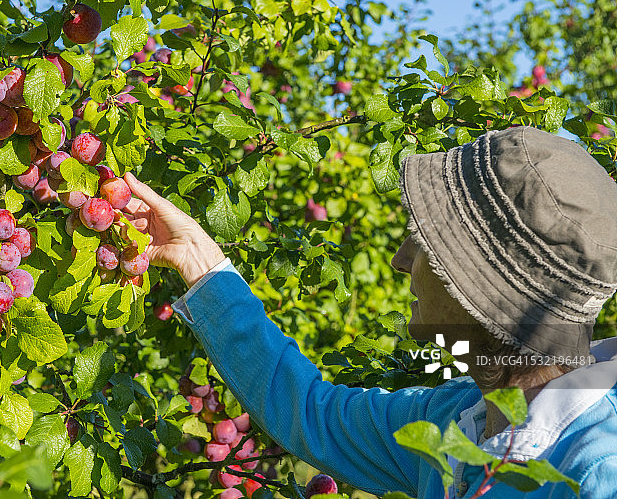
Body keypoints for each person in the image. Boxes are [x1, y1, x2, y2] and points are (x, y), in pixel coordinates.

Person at [122, 126, 617, 498]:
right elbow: (314, 413)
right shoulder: (455, 422)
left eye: (425, 243)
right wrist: (200, 262)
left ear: (486, 285)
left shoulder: (595, 472)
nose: (402, 261)